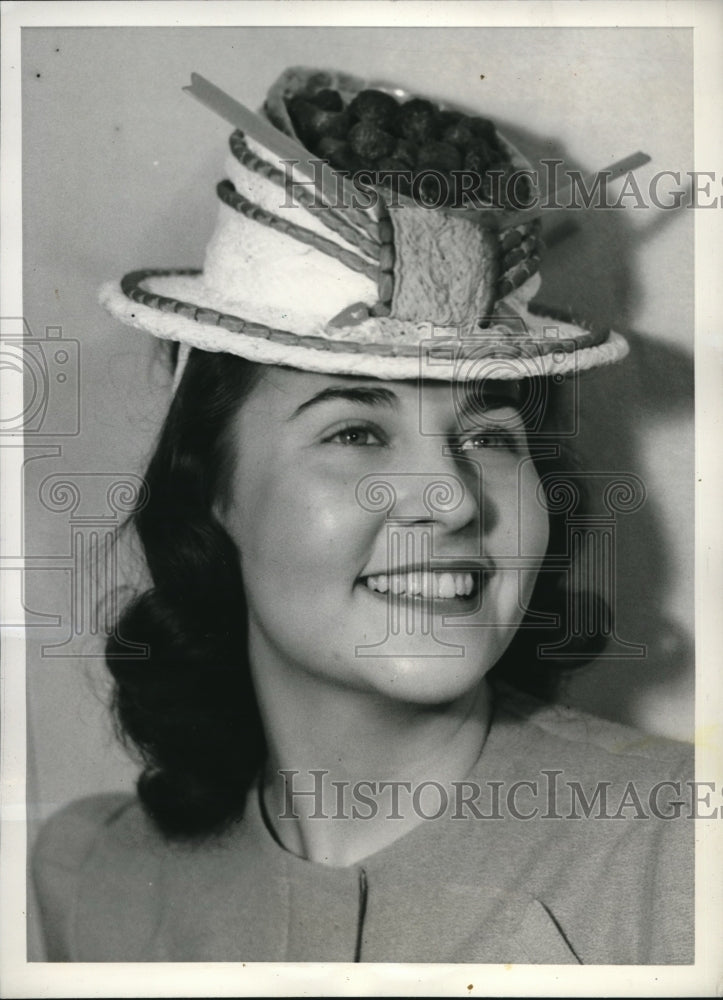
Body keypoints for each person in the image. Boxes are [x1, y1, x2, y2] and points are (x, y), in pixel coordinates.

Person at [31, 67, 693, 964]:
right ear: (212, 489)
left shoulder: (684, 859)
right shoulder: (91, 880)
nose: (454, 498)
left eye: (490, 435)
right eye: (356, 430)